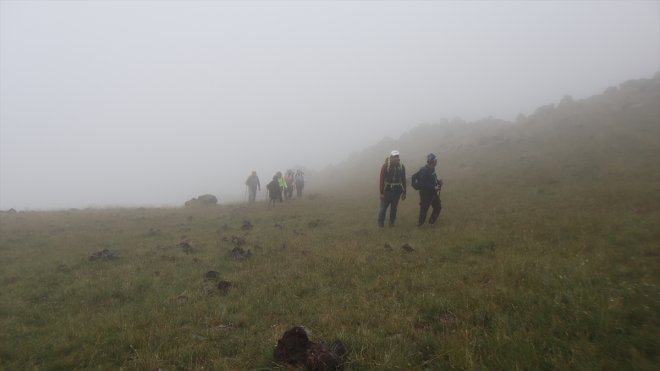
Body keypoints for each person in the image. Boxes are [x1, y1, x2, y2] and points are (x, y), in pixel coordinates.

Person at [411, 153, 443, 226]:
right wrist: (434, 187)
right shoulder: (424, 170)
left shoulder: (432, 169)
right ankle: (420, 225)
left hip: (433, 192)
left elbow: (432, 179)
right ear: (431, 161)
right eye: (435, 160)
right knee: (424, 210)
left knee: (438, 207)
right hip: (425, 194)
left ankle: (431, 223)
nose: (436, 161)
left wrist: (438, 182)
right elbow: (423, 184)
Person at [378, 150, 407, 227]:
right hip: (386, 192)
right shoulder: (385, 166)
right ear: (390, 157)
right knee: (383, 209)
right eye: (394, 157)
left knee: (394, 209)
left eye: (397, 157)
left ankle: (391, 224)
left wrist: (404, 192)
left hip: (397, 192)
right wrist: (381, 193)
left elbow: (403, 180)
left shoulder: (401, 167)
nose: (396, 158)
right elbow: (381, 179)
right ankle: (381, 224)